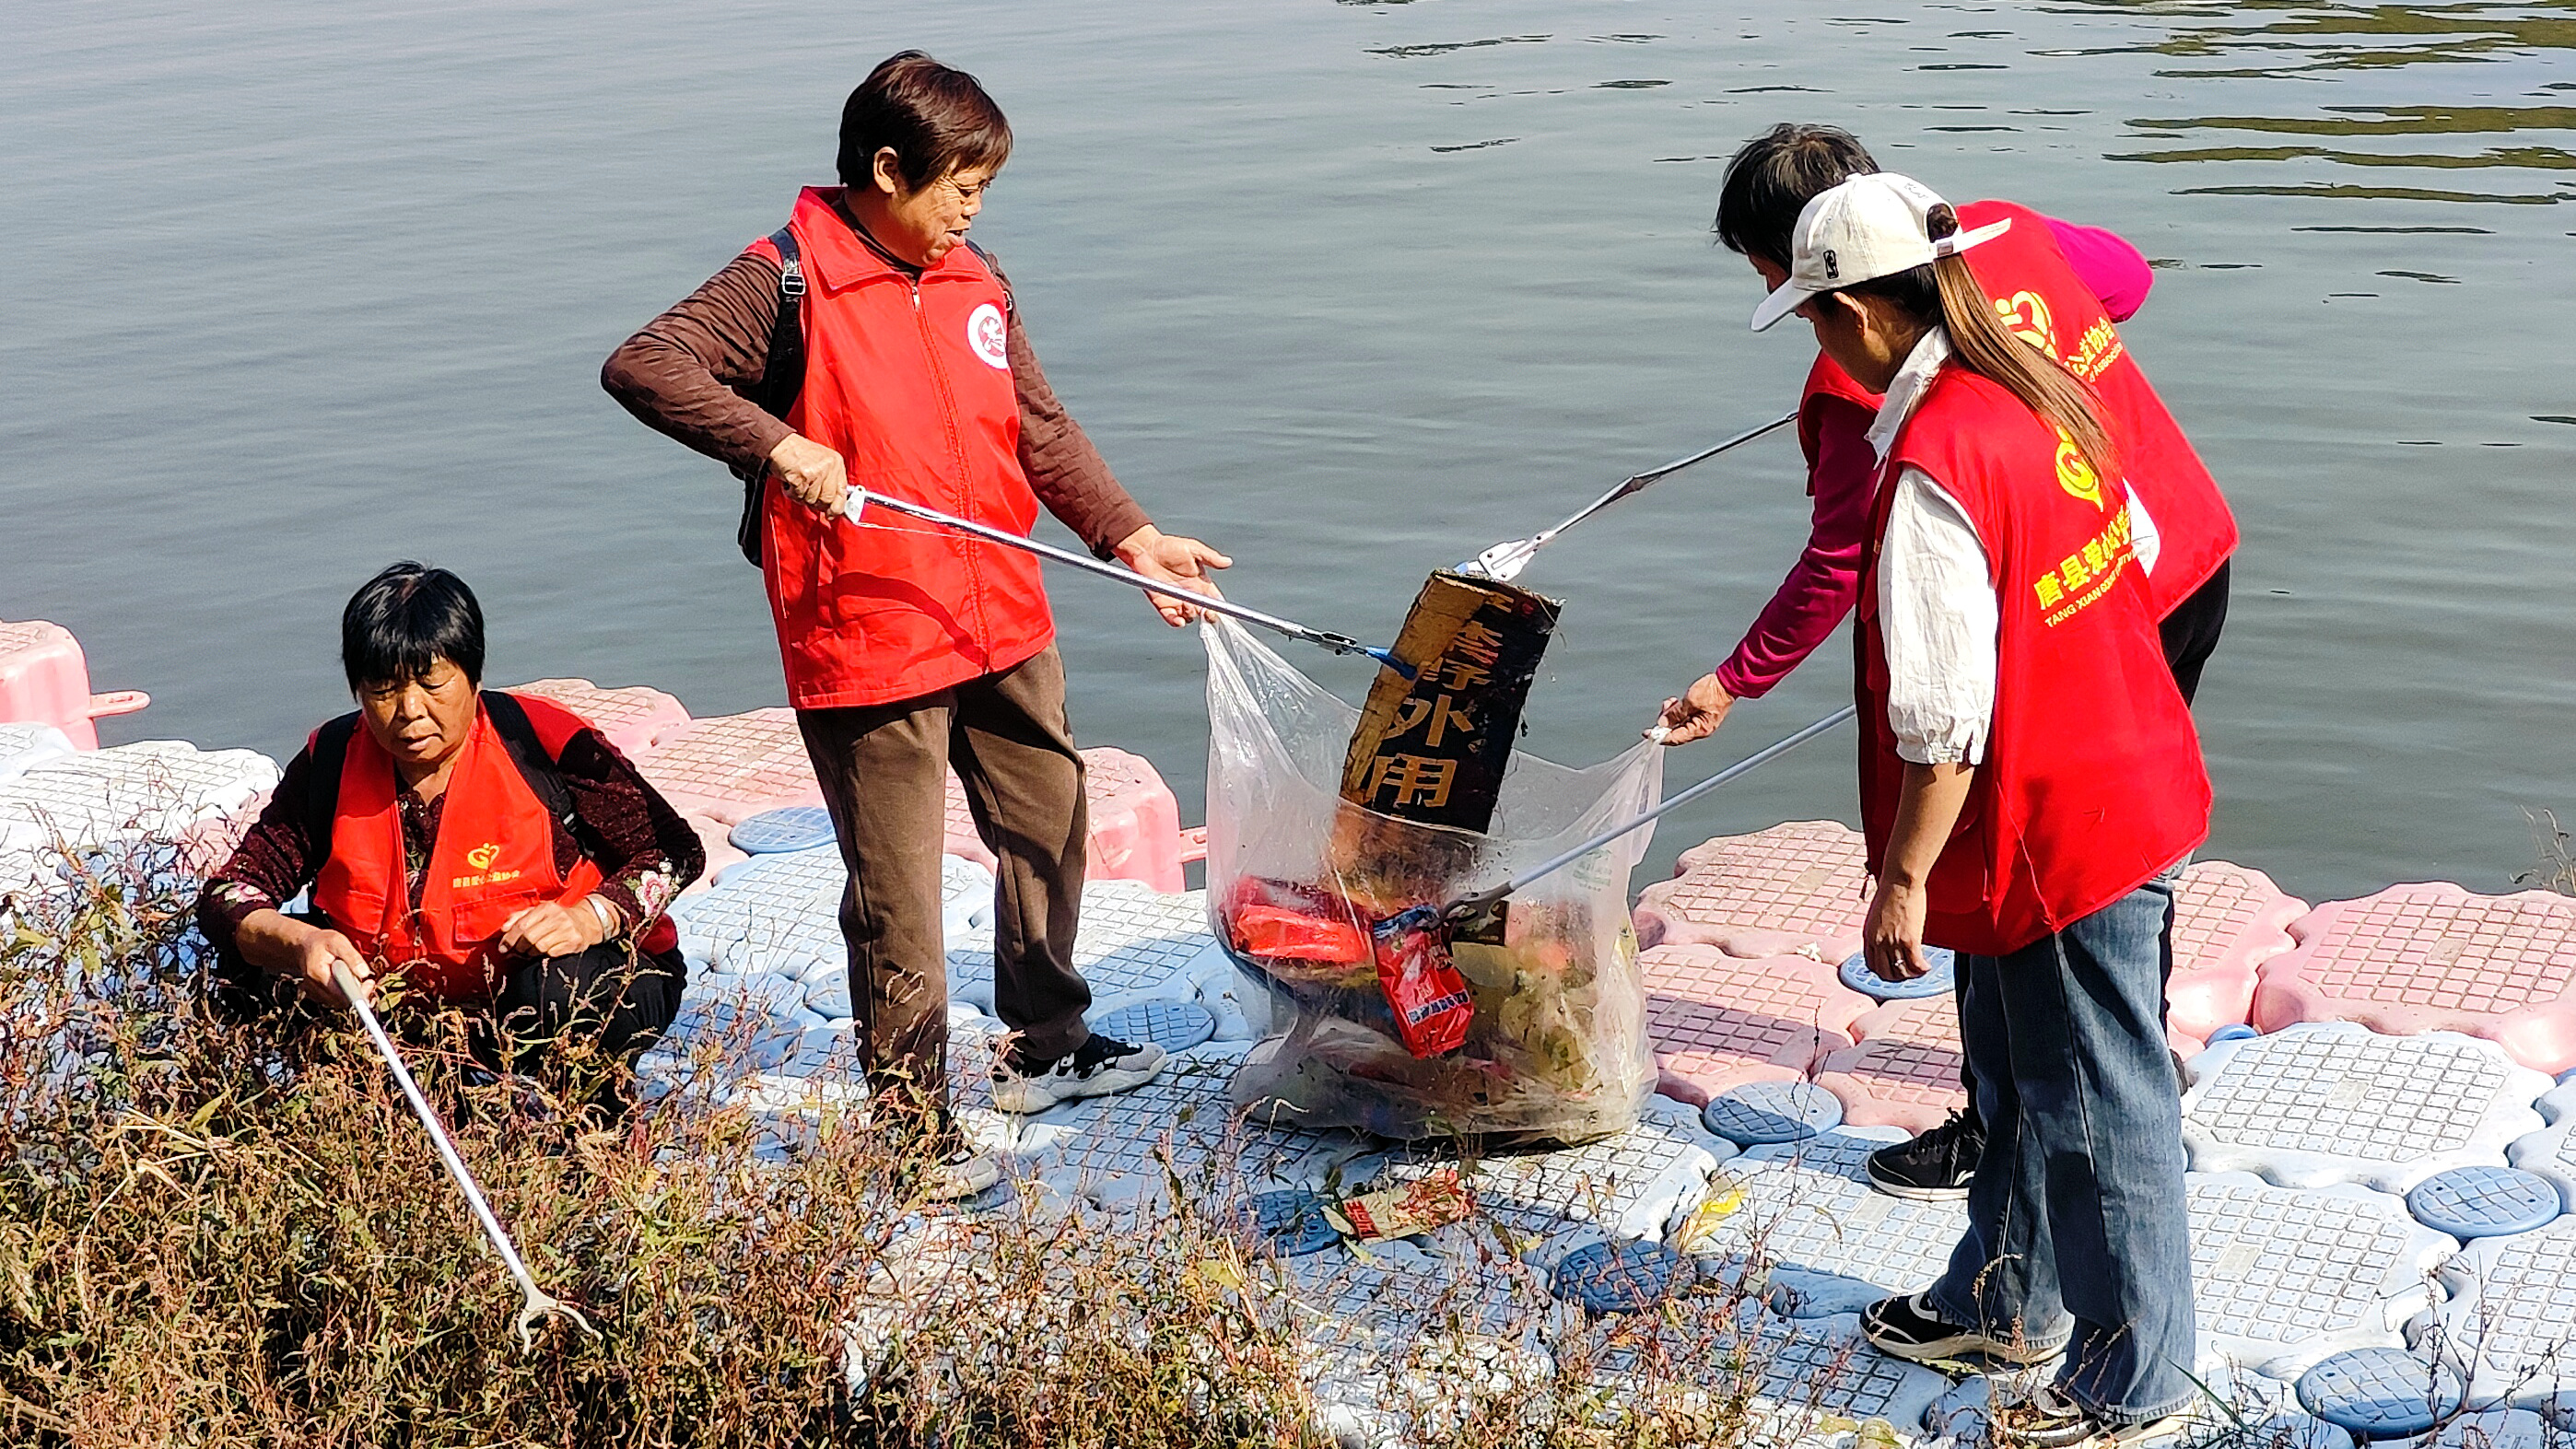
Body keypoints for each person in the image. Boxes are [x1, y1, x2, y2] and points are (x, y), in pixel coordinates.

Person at [602, 51, 1233, 1199]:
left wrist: (1131, 535)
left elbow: (1038, 427)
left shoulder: (974, 276)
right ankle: (909, 1122)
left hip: (1000, 609)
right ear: (887, 171)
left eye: (984, 189)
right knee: (898, 891)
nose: (972, 210)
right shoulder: (786, 277)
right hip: (868, 630)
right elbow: (646, 364)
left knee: (1049, 821)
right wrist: (776, 443)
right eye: (960, 187)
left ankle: (1048, 1042)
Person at [1716, 172, 2207, 1446]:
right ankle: (2002, 1298)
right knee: (2019, 1060)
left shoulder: (1936, 461)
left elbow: (1941, 727)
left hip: (2059, 826)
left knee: (2098, 1105)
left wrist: (1900, 882)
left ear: (1855, 314)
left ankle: (2133, 1381)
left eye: (1812, 317)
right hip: (2123, 757)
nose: (1817, 348)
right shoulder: (2029, 382)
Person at [1658, 123, 2237, 1201]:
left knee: (1996, 861)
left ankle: (2009, 1119)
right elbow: (2128, 278)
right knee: (2119, 848)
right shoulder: (1999, 233)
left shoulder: (1858, 394)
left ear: (1813, 269)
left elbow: (1841, 564)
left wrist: (1735, 679)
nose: (1775, 295)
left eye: (1771, 271)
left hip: (2065, 619)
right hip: (2173, 560)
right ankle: (2131, 1056)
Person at [199, 563, 704, 1116]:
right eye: (383, 689)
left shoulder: (542, 743)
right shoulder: (331, 761)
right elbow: (230, 893)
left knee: (560, 990)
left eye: (432, 684)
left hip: (555, 989)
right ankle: (381, 1110)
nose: (410, 712)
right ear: (358, 690)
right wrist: (299, 945)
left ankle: (593, 1120)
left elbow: (675, 850)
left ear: (474, 676)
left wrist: (590, 918)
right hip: (400, 1008)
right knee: (244, 966)